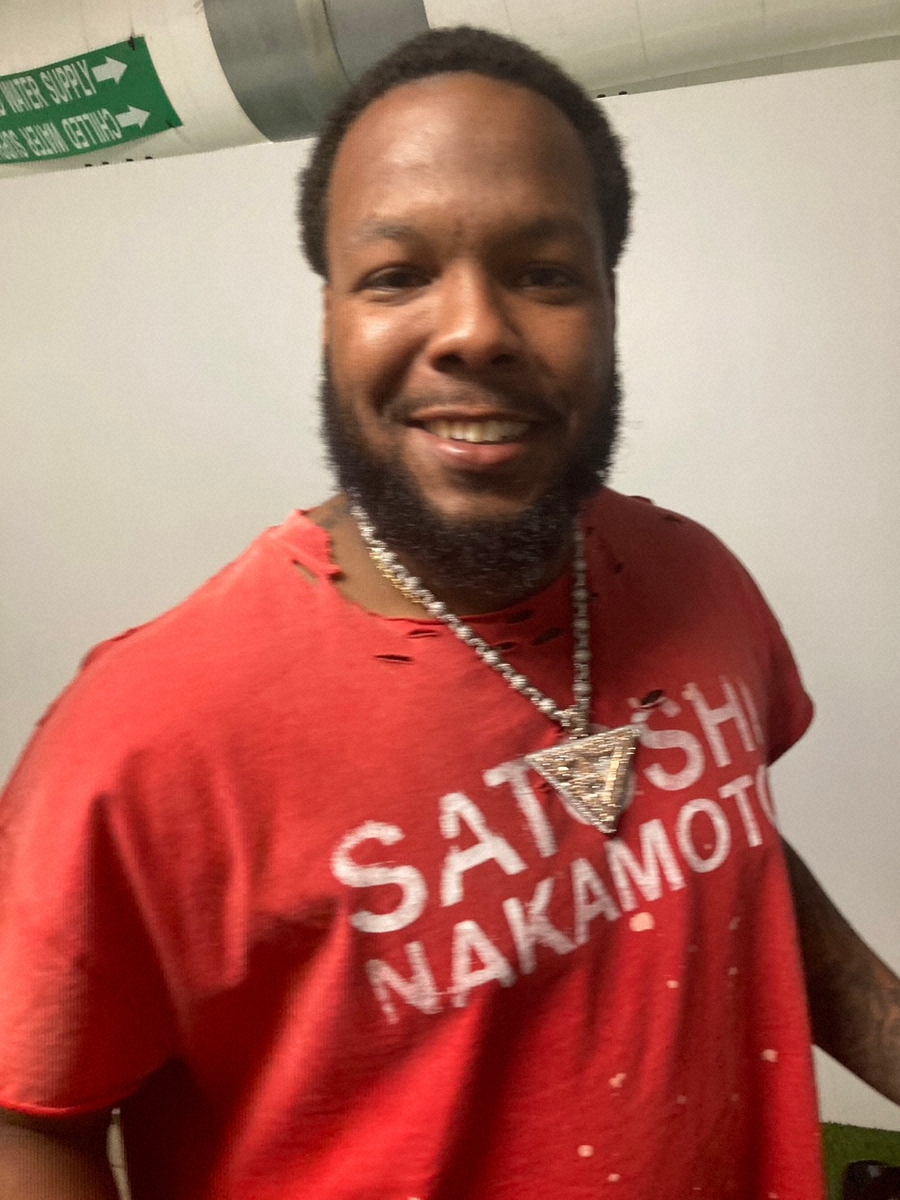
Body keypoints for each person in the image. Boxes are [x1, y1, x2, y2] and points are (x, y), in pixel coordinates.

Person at [0, 25, 897, 1200]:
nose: (473, 329)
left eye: (544, 272)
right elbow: (29, 1116)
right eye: (397, 274)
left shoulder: (697, 579)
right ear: (331, 317)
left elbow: (725, 851)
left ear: (611, 304)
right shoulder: (140, 741)